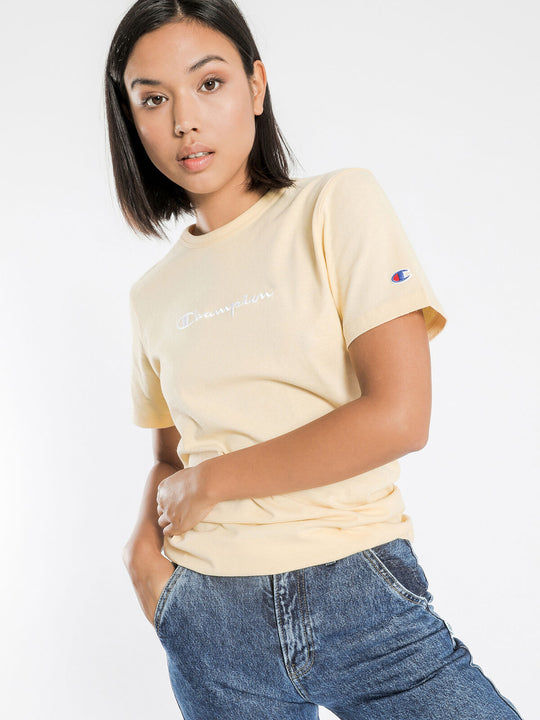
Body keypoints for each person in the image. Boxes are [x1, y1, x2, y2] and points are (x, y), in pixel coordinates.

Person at [104, 1, 525, 718]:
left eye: (209, 83)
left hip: (360, 594)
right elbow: (172, 460)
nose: (184, 122)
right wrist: (143, 557)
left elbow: (400, 416)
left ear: (256, 86)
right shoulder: (153, 294)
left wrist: (213, 482)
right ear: (132, 119)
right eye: (153, 99)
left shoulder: (336, 205)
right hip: (212, 617)